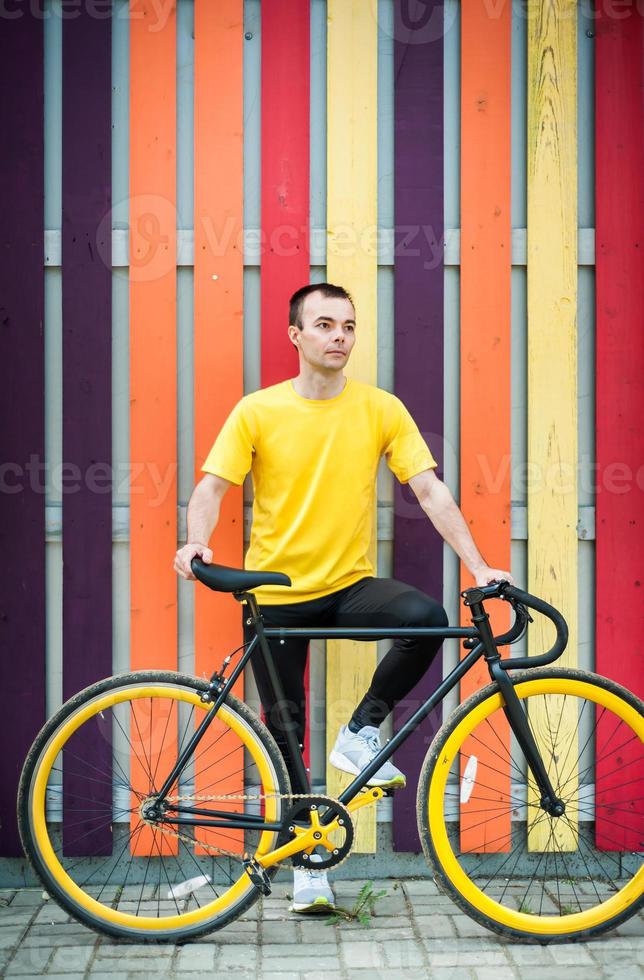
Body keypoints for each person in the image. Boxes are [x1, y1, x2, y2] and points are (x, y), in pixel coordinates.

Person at [174, 282, 513, 913]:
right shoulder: (258, 411)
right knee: (286, 732)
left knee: (426, 621)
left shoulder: (380, 408)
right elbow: (211, 489)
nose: (340, 337)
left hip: (348, 586)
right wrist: (196, 542)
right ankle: (308, 868)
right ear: (296, 336)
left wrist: (478, 565)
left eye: (349, 326)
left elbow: (431, 492)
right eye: (325, 325)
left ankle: (359, 734)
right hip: (276, 594)